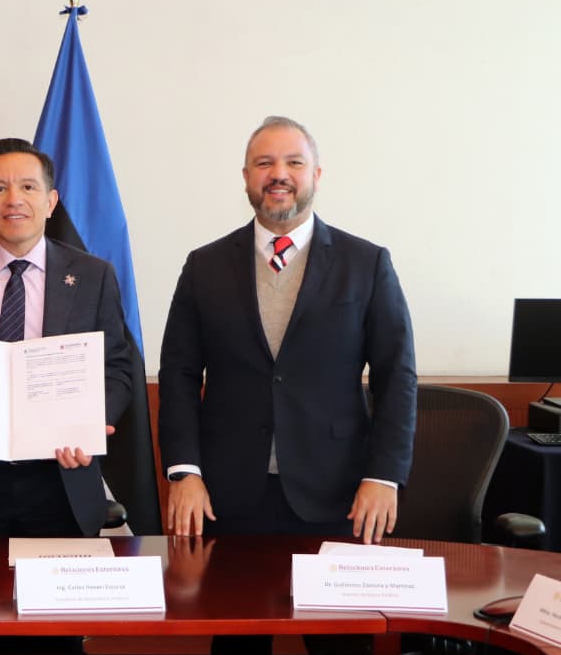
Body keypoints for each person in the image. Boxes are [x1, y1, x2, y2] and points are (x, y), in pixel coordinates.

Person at [158, 116, 416, 543]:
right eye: (265, 163)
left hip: (339, 493)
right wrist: (185, 471)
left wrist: (384, 476)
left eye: (294, 163)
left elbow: (397, 377)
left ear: (316, 175)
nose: (279, 174)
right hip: (224, 494)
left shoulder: (366, 264)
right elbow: (178, 375)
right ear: (246, 177)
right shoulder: (204, 266)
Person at [0, 138, 134, 537]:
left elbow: (118, 367)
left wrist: (92, 422)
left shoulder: (93, 275)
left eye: (28, 187)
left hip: (61, 480)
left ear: (51, 201)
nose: (13, 199)